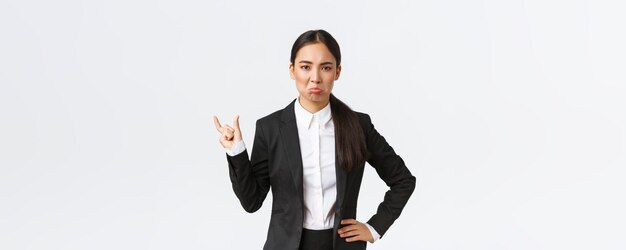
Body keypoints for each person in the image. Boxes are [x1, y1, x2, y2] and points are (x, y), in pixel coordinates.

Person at [213, 29, 415, 250]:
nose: (315, 77)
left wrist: (374, 228)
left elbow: (403, 180)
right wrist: (236, 151)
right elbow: (251, 202)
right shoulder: (270, 128)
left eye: (326, 67)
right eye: (305, 67)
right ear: (292, 70)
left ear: (337, 72)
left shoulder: (358, 125)